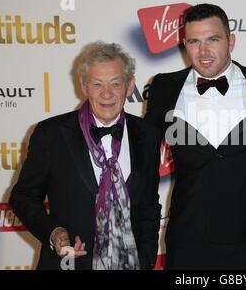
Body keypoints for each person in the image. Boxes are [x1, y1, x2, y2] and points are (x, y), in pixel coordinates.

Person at [145, 3, 246, 269]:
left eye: (213, 39)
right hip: (189, 242)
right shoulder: (165, 88)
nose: (203, 51)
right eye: (194, 41)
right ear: (184, 44)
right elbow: (142, 161)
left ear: (231, 41)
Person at [9, 41, 161, 270]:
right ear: (83, 86)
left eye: (116, 83)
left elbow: (149, 205)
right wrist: (54, 232)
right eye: (97, 84)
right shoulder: (52, 134)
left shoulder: (148, 134)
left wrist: (147, 258)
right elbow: (23, 197)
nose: (106, 93)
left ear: (130, 86)